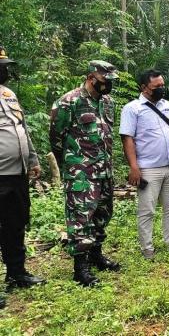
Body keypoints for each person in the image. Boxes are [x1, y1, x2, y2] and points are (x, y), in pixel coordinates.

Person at [49, 60, 121, 286]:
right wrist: (73, 164)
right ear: (92, 78)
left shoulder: (108, 102)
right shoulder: (68, 102)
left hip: (104, 171)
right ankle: (80, 268)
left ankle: (96, 255)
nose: (108, 85)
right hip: (81, 172)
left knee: (102, 214)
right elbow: (56, 138)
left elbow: (107, 135)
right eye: (105, 81)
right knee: (81, 219)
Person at [120, 69, 169, 259]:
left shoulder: (167, 105)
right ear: (144, 88)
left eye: (162, 85)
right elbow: (127, 139)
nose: (161, 89)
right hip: (148, 168)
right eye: (156, 86)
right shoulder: (132, 108)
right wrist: (134, 167)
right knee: (147, 209)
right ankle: (147, 248)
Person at [0, 46, 45, 308]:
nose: (6, 70)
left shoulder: (9, 94)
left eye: (6, 65)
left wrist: (33, 160)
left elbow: (22, 129)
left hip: (16, 174)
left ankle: (16, 274)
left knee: (15, 224)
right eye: (2, 66)